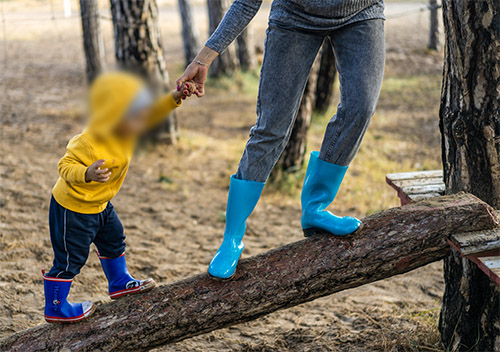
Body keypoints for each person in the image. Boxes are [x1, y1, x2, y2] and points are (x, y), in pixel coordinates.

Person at [177, 0, 386, 279]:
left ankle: (315, 208)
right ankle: (232, 238)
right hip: (294, 17)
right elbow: (246, 3)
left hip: (362, 12)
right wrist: (203, 58)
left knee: (360, 108)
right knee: (271, 128)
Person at [43, 72, 195, 323]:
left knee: (114, 238)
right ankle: (56, 306)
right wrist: (87, 173)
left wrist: (176, 97)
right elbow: (64, 165)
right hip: (74, 208)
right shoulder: (90, 140)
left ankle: (119, 282)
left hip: (101, 204)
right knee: (71, 258)